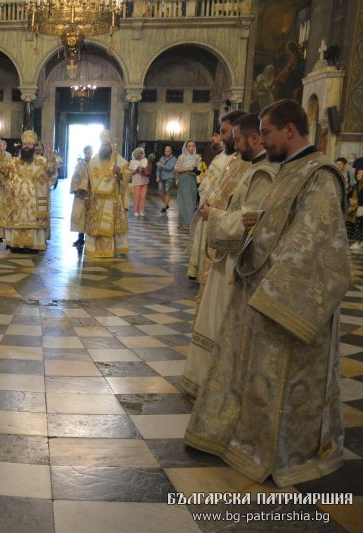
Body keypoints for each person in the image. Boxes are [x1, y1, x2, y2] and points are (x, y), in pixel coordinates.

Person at [185, 99, 351, 487]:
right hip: (256, 289)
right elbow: (269, 227)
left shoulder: (319, 175)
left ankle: (281, 451)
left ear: (289, 130)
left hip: (284, 301)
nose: (263, 140)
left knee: (281, 383)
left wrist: (272, 295)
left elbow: (315, 243)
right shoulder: (285, 170)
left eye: (268, 132)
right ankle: (240, 438)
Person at [182, 113, 277, 397]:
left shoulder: (263, 173)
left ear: (254, 138)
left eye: (237, 139)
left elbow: (251, 222)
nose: (233, 144)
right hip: (227, 257)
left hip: (237, 260)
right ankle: (209, 381)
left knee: (223, 323)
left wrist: (213, 215)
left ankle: (219, 385)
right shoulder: (249, 167)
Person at [187, 111, 246, 280]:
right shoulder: (222, 156)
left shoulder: (242, 161)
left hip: (225, 221)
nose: (221, 137)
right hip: (210, 210)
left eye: (224, 132)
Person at [78, 130, 129, 258]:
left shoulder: (117, 159)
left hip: (113, 199)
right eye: (103, 145)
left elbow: (129, 177)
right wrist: (86, 196)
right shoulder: (94, 161)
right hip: (96, 201)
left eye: (107, 145)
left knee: (111, 224)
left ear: (111, 146)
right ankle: (94, 249)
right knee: (95, 226)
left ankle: (112, 249)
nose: (105, 147)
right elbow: (87, 180)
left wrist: (120, 172)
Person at [2, 130, 50, 252]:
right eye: (25, 144)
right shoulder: (14, 161)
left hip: (34, 200)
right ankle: (15, 245)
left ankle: (34, 245)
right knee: (16, 219)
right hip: (17, 199)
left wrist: (52, 158)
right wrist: (1, 156)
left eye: (29, 144)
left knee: (34, 222)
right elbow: (4, 172)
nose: (26, 146)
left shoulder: (41, 161)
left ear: (34, 146)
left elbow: (50, 173)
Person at [174, 139, 201, 233]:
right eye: (189, 146)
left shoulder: (197, 157)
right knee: (183, 201)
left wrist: (196, 171)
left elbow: (199, 170)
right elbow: (175, 169)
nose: (191, 148)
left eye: (193, 146)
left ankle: (189, 223)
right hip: (184, 179)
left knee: (192, 202)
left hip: (192, 180)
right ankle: (182, 224)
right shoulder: (182, 157)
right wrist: (187, 168)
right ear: (186, 147)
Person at [70, 145, 92, 248]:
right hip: (81, 194)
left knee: (90, 216)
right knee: (80, 216)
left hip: (91, 194)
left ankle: (90, 238)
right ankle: (80, 238)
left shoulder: (94, 164)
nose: (88, 154)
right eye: (86, 152)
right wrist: (76, 189)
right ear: (84, 153)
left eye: (89, 152)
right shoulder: (80, 164)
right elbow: (75, 178)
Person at [128, 147, 149, 217]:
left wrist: (142, 168)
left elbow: (146, 167)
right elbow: (130, 172)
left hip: (145, 180)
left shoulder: (145, 160)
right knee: (136, 196)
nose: (140, 154)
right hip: (136, 181)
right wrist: (136, 170)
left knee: (143, 196)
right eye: (139, 153)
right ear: (135, 154)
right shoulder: (132, 161)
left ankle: (141, 211)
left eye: (141, 153)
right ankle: (135, 211)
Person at [155, 145, 176, 213]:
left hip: (169, 177)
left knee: (167, 191)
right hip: (161, 177)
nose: (166, 152)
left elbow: (169, 168)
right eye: (165, 151)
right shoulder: (162, 158)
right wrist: (157, 176)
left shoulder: (174, 159)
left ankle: (164, 207)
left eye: (168, 151)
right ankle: (166, 204)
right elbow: (158, 168)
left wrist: (161, 165)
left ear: (171, 151)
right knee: (160, 192)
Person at [347, 168, 363, 250]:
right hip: (354, 208)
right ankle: (356, 241)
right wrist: (350, 200)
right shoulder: (356, 185)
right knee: (353, 224)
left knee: (359, 225)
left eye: (360, 173)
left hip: (361, 208)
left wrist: (356, 201)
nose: (357, 175)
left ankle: (358, 242)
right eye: (357, 173)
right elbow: (348, 194)